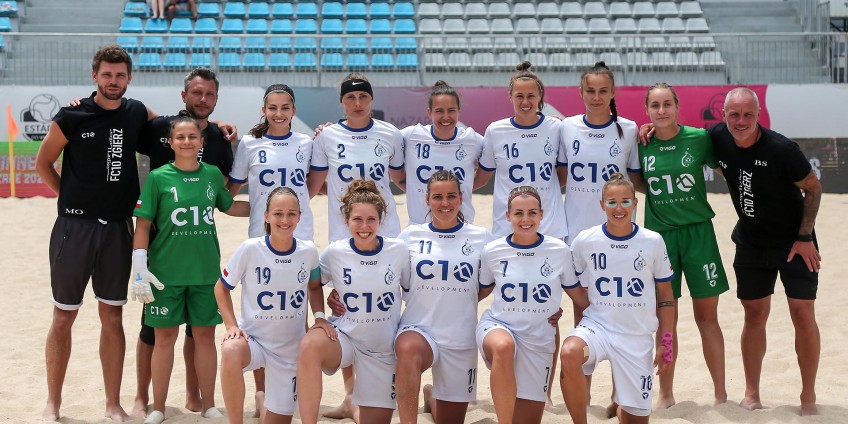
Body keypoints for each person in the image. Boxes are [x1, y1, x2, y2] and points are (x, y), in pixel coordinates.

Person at [35, 44, 154, 422]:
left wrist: (217, 125)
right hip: (74, 229)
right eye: (107, 74)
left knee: (112, 318)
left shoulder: (136, 112)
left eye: (120, 75)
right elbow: (43, 162)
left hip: (118, 229)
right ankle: (53, 403)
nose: (113, 81)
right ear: (94, 76)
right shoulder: (72, 115)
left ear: (129, 78)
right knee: (63, 317)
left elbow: (174, 126)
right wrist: (69, 197)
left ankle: (112, 404)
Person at [132, 66, 237, 418]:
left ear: (201, 142)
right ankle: (151, 403)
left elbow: (228, 202)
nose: (188, 141)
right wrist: (139, 265)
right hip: (164, 267)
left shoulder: (213, 158)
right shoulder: (158, 170)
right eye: (181, 138)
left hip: (203, 269)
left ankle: (203, 402)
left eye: (209, 94)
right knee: (158, 336)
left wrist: (273, 208)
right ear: (171, 140)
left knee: (202, 336)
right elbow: (142, 223)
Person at [709, 88, 822, 415]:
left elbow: (813, 189)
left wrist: (804, 236)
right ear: (724, 115)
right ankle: (752, 393)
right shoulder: (717, 137)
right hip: (751, 241)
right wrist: (649, 128)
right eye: (734, 114)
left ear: (759, 115)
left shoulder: (782, 149)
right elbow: (681, 135)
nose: (741, 121)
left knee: (803, 314)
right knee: (754, 314)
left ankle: (808, 396)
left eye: (748, 114)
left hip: (795, 242)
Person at [556, 60, 644, 407]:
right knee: (583, 312)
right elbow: (558, 175)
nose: (596, 97)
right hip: (578, 235)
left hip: (619, 234)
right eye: (590, 91)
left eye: (603, 91)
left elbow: (635, 179)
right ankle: (585, 392)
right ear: (581, 92)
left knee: (620, 310)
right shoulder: (567, 127)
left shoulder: (629, 129)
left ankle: (620, 394)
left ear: (612, 93)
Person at [638, 83, 729, 408]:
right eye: (655, 105)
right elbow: (637, 181)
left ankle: (720, 394)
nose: (661, 111)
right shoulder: (640, 143)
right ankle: (666, 394)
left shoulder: (698, 138)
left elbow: (726, 170)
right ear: (647, 110)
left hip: (699, 234)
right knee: (667, 320)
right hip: (661, 239)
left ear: (677, 106)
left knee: (707, 317)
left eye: (667, 104)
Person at [560, 173, 675, 424]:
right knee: (570, 352)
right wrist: (567, 308)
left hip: (636, 337)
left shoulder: (652, 241)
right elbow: (569, 280)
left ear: (635, 203)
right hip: (598, 329)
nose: (619, 208)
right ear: (602, 205)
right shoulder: (585, 240)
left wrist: (666, 343)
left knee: (634, 419)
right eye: (612, 202)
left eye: (625, 201)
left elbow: (666, 297)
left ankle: (624, 407)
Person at [296, 180, 410, 424]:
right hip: (345, 338)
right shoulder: (335, 252)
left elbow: (412, 293)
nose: (364, 226)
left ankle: (352, 405)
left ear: (381, 220)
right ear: (346, 221)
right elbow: (313, 283)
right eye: (357, 219)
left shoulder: (399, 250)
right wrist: (320, 316)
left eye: (371, 219)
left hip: (381, 350)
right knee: (310, 345)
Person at [216, 186, 326, 424]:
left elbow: (315, 287)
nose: (284, 220)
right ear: (266, 216)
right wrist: (231, 326)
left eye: (291, 214)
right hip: (254, 341)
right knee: (230, 350)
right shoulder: (250, 248)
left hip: (289, 350)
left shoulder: (308, 251)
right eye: (278, 214)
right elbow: (221, 288)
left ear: (299, 217)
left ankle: (262, 399)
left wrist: (319, 317)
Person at [476, 186, 585, 424]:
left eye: (532, 213)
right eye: (518, 213)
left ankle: (432, 398)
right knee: (504, 346)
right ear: (508, 216)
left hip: (537, 339)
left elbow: (578, 296)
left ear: (541, 214)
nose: (525, 219)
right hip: (499, 326)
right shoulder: (493, 251)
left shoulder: (559, 250)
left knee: (526, 419)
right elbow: (478, 292)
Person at [393, 170, 491, 423]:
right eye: (437, 197)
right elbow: (389, 278)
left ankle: (431, 396)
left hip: (460, 337)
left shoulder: (481, 237)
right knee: (408, 349)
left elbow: (493, 281)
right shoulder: (410, 236)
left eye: (451, 196)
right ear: (427, 199)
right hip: (419, 327)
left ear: (461, 198)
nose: (444, 203)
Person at [473, 61, 567, 240]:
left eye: (531, 96)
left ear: (540, 96)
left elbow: (562, 176)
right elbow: (482, 178)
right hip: (507, 227)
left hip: (550, 227)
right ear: (510, 97)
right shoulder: (495, 131)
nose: (525, 102)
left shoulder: (556, 127)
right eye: (519, 96)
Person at [307, 72, 405, 242]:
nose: (358, 103)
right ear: (341, 101)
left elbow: (401, 179)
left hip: (385, 227)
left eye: (363, 96)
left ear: (371, 99)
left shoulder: (391, 134)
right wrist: (343, 194)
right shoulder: (326, 136)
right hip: (343, 228)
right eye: (350, 97)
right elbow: (315, 185)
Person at [228, 84, 315, 240]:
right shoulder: (249, 143)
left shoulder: (306, 143)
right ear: (264, 110)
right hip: (261, 232)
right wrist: (258, 207)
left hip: (300, 232)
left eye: (285, 108)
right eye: (273, 108)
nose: (279, 114)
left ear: (293, 111)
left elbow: (311, 187)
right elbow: (230, 193)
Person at [399, 81, 484, 225]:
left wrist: (463, 187)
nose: (445, 117)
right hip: (420, 226)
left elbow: (486, 172)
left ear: (459, 112)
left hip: (462, 226)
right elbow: (393, 163)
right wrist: (414, 188)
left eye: (451, 110)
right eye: (439, 111)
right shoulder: (410, 136)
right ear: (429, 112)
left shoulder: (473, 140)